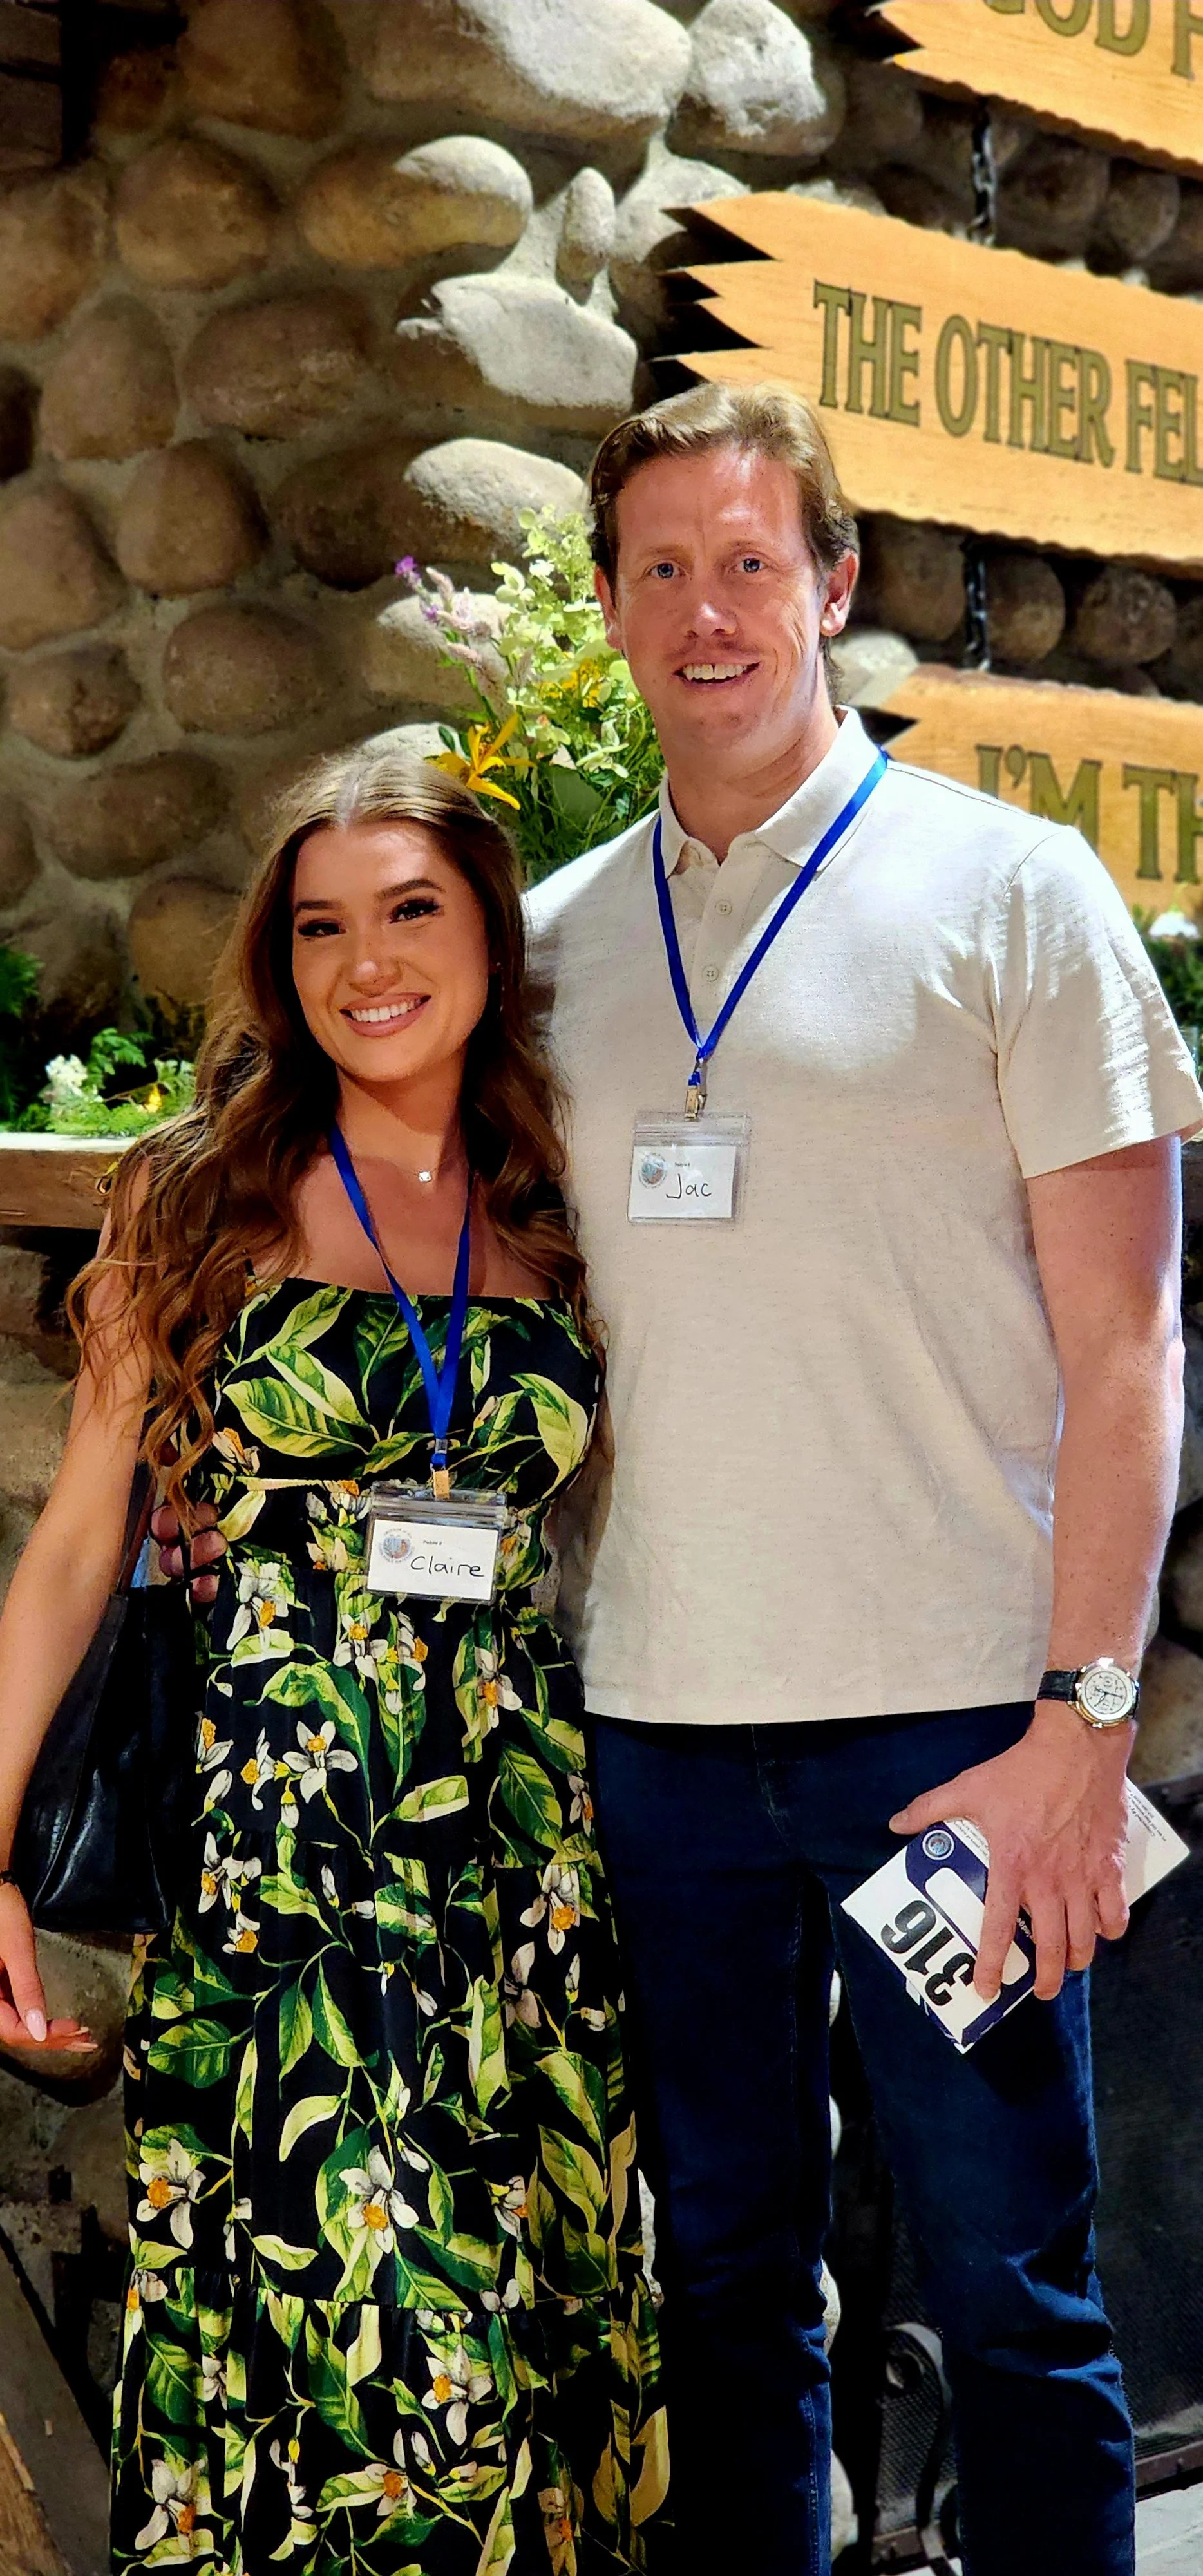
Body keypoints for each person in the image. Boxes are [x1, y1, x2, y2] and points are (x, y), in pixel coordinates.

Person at [161, 379, 1203, 2576]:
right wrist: (207, 1450)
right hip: (642, 1734)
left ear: (831, 587)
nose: (705, 611)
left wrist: (1077, 1727)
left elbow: (1128, 1348)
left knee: (1012, 2297)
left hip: (949, 1744)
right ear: (615, 611)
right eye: (660, 570)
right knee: (722, 2290)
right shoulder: (530, 948)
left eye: (749, 563)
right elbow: (379, 1230)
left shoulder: (1013, 895)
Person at [0, 749, 667, 2575]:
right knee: (359, 2336)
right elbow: (72, 1551)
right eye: (318, 926)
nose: (363, 963)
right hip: (287, 1853)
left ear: (489, 935)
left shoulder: (559, 1198)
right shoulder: (200, 1193)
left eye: (409, 911)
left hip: (520, 1868)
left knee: (522, 2330)